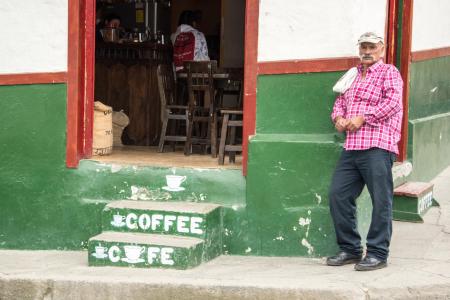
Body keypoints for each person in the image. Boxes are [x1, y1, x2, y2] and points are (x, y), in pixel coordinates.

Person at [326, 32, 403, 271]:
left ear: (381, 49)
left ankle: (378, 253)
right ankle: (350, 249)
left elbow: (392, 103)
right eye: (363, 47)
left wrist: (363, 118)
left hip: (378, 145)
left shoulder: (389, 72)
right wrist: (338, 117)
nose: (367, 51)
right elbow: (340, 101)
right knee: (338, 195)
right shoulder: (352, 73)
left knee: (381, 200)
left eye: (372, 47)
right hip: (352, 146)